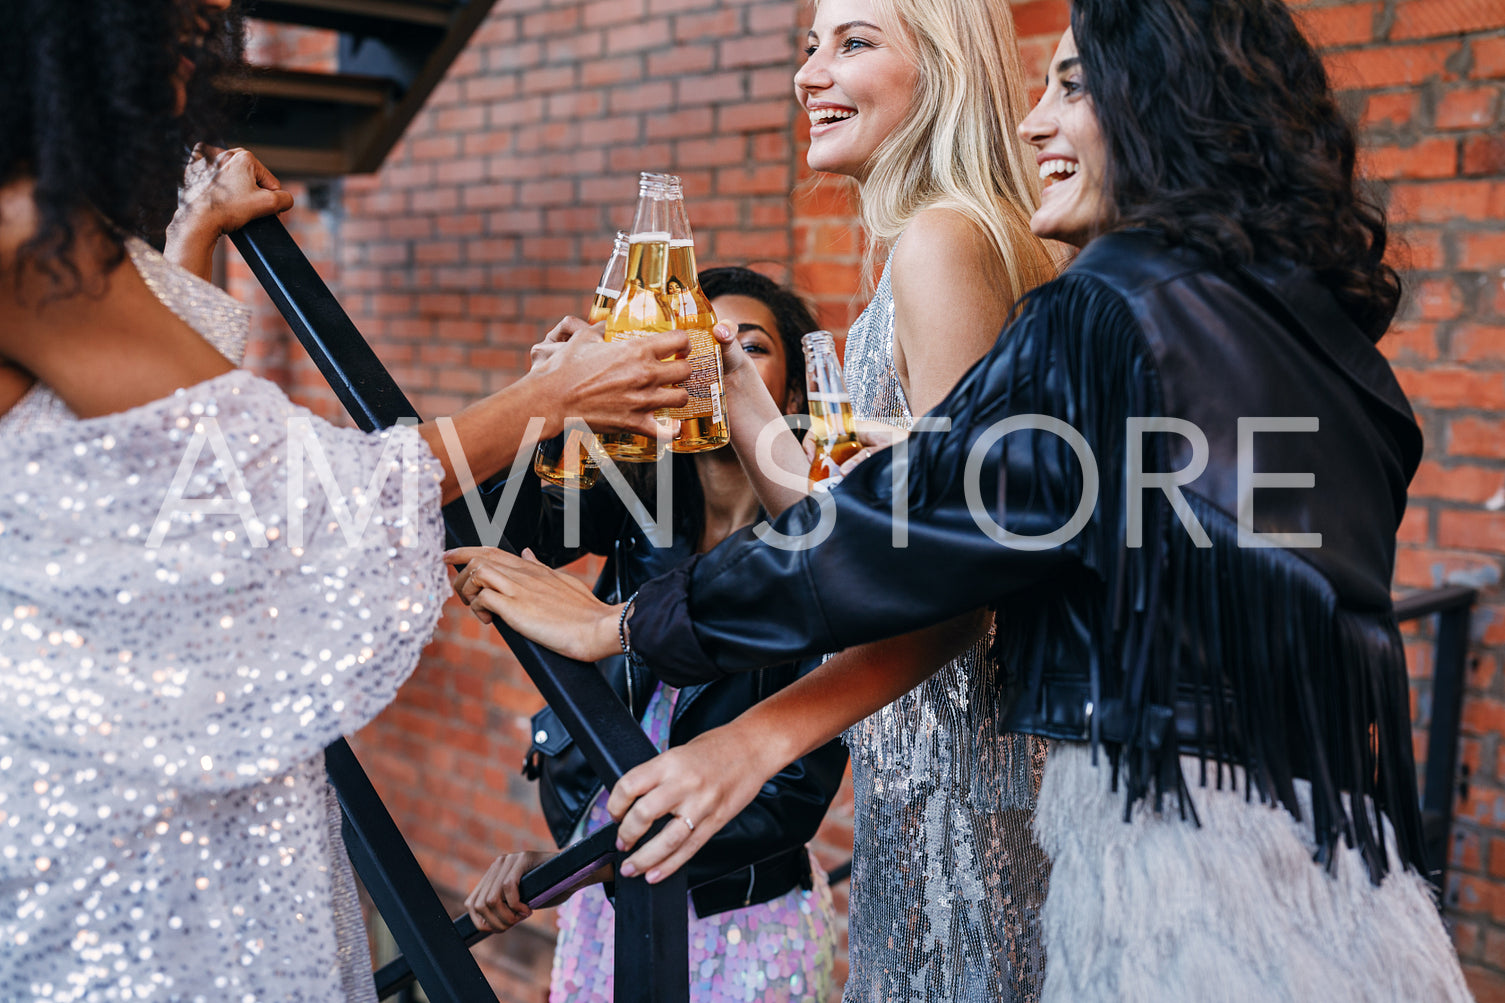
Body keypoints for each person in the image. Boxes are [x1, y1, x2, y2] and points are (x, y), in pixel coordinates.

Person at [451, 1, 1476, 1000]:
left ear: (1162, 103)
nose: (1034, 121)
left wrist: (634, 628)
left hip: (1173, 883)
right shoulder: (1318, 346)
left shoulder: (1099, 308)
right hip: (1349, 878)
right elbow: (932, 517)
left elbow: (931, 541)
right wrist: (733, 396)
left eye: (1070, 86)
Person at [0, 2, 692, 1000]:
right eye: (183, 32)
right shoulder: (32, 236)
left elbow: (153, 431)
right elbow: (290, 492)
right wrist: (549, 399)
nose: (196, 71)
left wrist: (193, 233)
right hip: (123, 811)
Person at [474, 2, 1058, 998]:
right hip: (916, 764)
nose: (808, 74)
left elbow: (962, 577)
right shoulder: (943, 245)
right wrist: (731, 389)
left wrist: (741, 728)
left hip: (959, 770)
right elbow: (860, 539)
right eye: (807, 46)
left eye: (853, 41)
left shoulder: (941, 244)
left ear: (945, 62)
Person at [452, 267, 846, 1003]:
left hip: (742, 915)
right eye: (689, 346)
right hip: (612, 900)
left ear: (787, 393)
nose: (707, 363)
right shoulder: (639, 498)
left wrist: (598, 860)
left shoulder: (814, 546)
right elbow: (496, 532)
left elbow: (791, 795)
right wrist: (547, 404)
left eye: (745, 348)